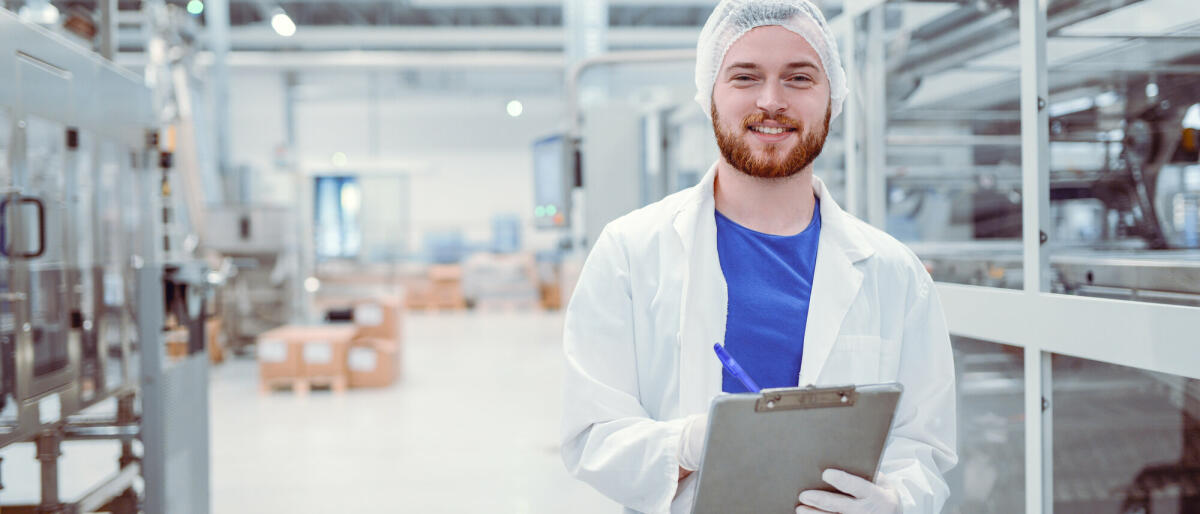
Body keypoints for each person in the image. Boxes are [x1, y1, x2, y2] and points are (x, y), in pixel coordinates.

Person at [559, 1, 957, 513]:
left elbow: (925, 445)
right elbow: (591, 432)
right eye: (746, 77)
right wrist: (684, 445)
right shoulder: (630, 252)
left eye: (799, 78)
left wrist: (896, 502)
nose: (772, 101)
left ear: (833, 96)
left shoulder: (893, 272)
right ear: (710, 94)